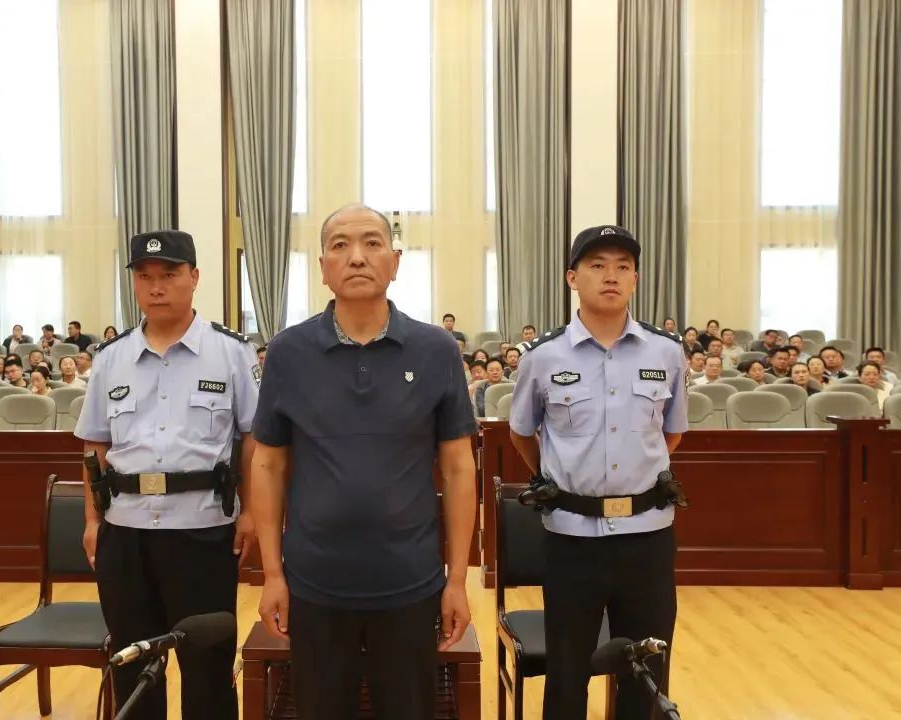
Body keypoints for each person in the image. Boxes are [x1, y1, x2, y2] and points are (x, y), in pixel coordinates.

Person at [249, 204, 477, 720]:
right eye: (340, 245)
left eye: (373, 243)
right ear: (322, 267)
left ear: (395, 262)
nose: (357, 257)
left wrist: (458, 580)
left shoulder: (436, 349)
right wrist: (272, 574)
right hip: (314, 583)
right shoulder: (288, 352)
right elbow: (268, 466)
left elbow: (459, 468)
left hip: (411, 581)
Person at [76, 229, 259, 720]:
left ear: (194, 277)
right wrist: (93, 521)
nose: (156, 287)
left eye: (169, 275)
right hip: (125, 533)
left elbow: (254, 441)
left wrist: (251, 514)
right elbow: (95, 445)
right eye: (145, 276)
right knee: (132, 664)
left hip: (203, 532)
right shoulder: (110, 359)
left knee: (207, 666)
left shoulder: (231, 353)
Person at [508, 225, 687, 719]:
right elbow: (521, 434)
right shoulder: (543, 357)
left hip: (647, 537)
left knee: (645, 672)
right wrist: (561, 479)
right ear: (572, 277)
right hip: (572, 540)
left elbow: (672, 433)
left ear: (635, 279)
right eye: (597, 265)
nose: (611, 276)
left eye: (623, 267)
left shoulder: (666, 352)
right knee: (568, 674)